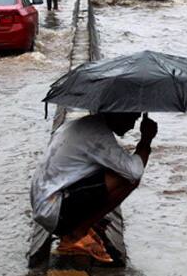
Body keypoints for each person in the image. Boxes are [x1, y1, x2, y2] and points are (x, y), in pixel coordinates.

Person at [30, 112, 158, 262]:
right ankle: (75, 235)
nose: (131, 126)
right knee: (126, 179)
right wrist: (146, 140)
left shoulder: (83, 125)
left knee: (115, 169)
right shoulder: (98, 135)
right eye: (130, 119)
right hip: (54, 211)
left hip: (45, 202)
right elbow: (134, 172)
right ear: (117, 114)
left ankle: (78, 228)